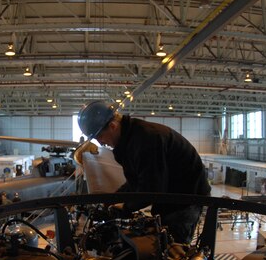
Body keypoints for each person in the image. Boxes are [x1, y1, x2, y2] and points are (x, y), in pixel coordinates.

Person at [77, 101, 211, 242]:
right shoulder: (128, 141)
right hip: (170, 193)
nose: (100, 143)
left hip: (187, 197)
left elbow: (152, 189)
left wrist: (125, 207)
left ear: (113, 126)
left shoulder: (146, 140)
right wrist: (110, 201)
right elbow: (135, 183)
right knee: (160, 238)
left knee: (172, 246)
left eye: (99, 137)